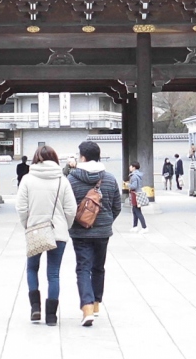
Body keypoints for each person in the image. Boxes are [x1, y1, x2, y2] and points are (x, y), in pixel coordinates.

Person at [16, 145, 76, 325]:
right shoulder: (62, 180)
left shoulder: (27, 179)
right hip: (58, 231)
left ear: (35, 159)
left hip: (35, 230)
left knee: (32, 268)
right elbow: (71, 209)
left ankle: (35, 308)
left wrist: (28, 224)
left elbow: (21, 208)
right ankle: (51, 316)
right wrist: (65, 226)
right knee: (53, 273)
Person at [67, 140, 121, 327]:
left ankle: (87, 307)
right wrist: (106, 222)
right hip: (103, 232)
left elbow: (67, 207)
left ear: (82, 157)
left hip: (80, 231)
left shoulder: (71, 180)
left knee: (83, 268)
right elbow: (116, 206)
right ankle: (96, 304)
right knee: (99, 267)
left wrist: (74, 223)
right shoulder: (110, 179)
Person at [128, 161, 147, 231]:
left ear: (134, 167)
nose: (129, 167)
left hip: (135, 195)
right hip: (138, 194)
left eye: (131, 166)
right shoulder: (138, 175)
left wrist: (127, 185)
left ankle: (144, 227)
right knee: (134, 210)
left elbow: (134, 186)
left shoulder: (134, 176)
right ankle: (135, 226)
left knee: (137, 211)